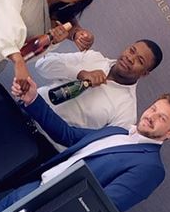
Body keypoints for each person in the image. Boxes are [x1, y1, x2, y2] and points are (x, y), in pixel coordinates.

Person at [0, 79, 170, 212]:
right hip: (31, 187)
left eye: (162, 118)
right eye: (153, 109)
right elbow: (68, 135)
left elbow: (101, 205)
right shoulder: (117, 131)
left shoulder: (151, 167)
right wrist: (33, 100)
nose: (151, 116)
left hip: (45, 209)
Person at [35, 40, 163, 149]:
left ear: (144, 73)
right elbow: (41, 65)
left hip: (46, 144)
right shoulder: (93, 57)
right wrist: (79, 73)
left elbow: (97, 146)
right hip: (30, 105)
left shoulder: (127, 112)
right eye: (131, 50)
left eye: (139, 60)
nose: (130, 58)